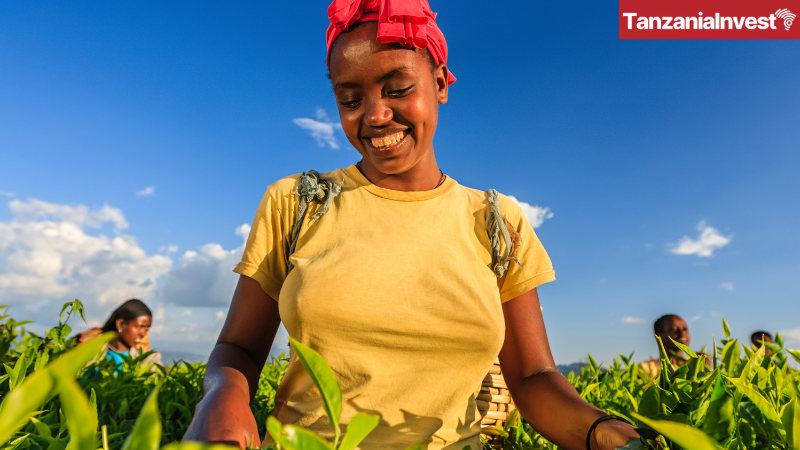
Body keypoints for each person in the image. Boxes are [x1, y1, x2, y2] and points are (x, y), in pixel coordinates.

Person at [182, 1, 640, 449]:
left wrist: (604, 430)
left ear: (440, 83)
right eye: (350, 99)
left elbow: (533, 378)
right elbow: (239, 349)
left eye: (397, 89)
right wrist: (223, 396)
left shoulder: (497, 222)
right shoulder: (297, 202)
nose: (375, 115)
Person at [77, 299, 162, 369]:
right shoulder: (91, 352)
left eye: (147, 328)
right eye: (139, 327)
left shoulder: (148, 360)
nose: (143, 333)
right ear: (120, 324)